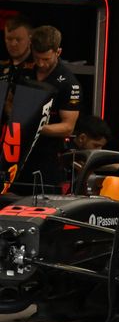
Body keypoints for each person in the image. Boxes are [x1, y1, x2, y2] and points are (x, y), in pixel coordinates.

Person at [13, 24, 82, 194]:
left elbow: (67, 127)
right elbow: (9, 104)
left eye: (46, 59)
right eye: (37, 58)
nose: (41, 64)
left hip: (47, 160)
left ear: (58, 52)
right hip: (16, 155)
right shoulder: (23, 72)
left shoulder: (68, 83)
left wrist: (33, 127)